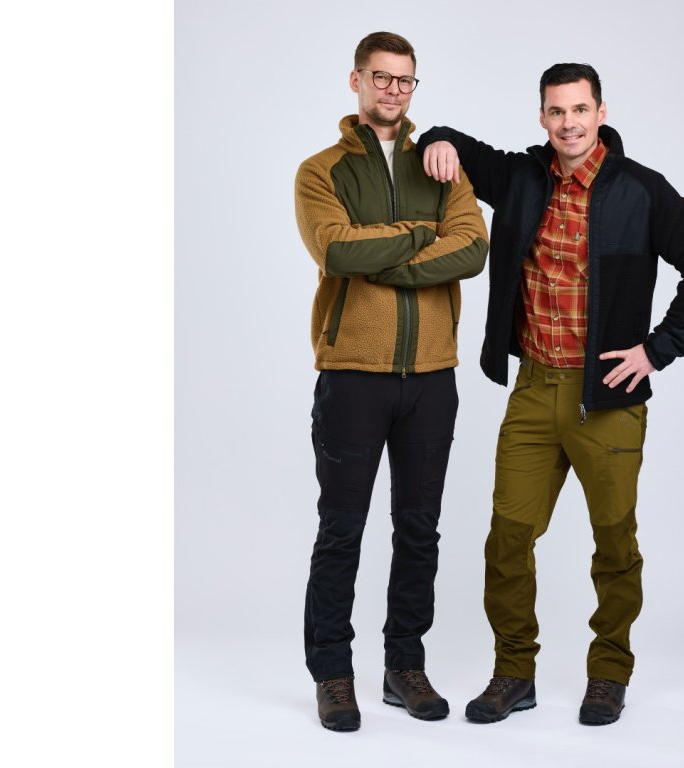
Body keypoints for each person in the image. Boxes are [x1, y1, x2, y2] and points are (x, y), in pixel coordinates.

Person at [418, 62, 684, 726]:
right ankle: (514, 673)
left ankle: (608, 674)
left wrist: (658, 348)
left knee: (614, 545)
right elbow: (455, 144)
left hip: (608, 399)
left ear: (601, 112)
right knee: (508, 539)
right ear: (542, 117)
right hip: (534, 390)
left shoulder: (641, 190)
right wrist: (436, 138)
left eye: (580, 109)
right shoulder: (522, 178)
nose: (569, 123)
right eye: (557, 111)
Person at [294, 31, 488, 732]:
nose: (393, 91)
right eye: (381, 78)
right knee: (341, 530)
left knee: (420, 529)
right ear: (356, 80)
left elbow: (473, 247)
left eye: (405, 80)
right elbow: (335, 248)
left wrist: (386, 249)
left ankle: (404, 666)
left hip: (432, 376)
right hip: (352, 375)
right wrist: (420, 234)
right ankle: (333, 674)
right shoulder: (320, 172)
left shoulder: (442, 164)